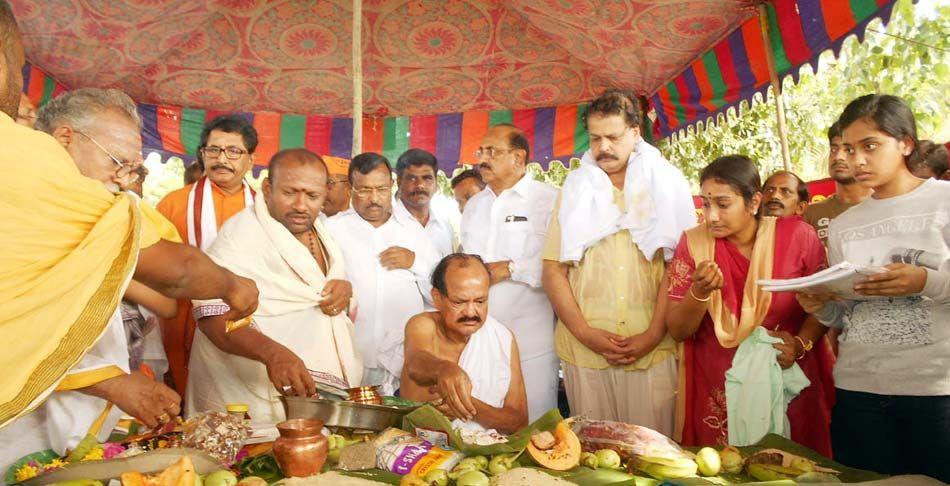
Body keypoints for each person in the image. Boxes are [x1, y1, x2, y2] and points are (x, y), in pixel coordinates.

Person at [0, 3, 258, 467]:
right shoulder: (29, 166)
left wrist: (110, 381)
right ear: (62, 140)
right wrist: (235, 287)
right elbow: (177, 274)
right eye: (117, 162)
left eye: (134, 168)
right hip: (16, 433)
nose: (124, 180)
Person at [799, 95, 950, 481]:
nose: (857, 160)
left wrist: (925, 280)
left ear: (905, 143)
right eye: (848, 148)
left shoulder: (943, 202)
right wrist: (820, 305)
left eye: (870, 146)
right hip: (859, 388)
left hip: (935, 390)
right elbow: (846, 314)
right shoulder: (845, 225)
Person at [541, 90, 695, 432]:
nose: (603, 148)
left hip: (653, 350)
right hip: (584, 350)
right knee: (597, 457)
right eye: (595, 139)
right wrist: (584, 332)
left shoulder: (667, 184)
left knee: (652, 456)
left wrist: (654, 333)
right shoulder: (575, 190)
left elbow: (679, 267)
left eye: (613, 137)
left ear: (636, 133)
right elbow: (553, 269)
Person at [664, 155, 834, 454]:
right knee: (727, 468)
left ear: (754, 202)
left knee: (792, 468)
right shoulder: (693, 244)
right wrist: (700, 291)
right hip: (718, 387)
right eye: (705, 204)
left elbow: (824, 307)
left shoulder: (798, 237)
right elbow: (678, 329)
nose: (711, 216)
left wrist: (800, 344)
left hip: (785, 377)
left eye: (723, 204)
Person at [188, 149, 362, 426]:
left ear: (326, 193)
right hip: (249, 396)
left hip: (314, 400)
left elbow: (315, 288)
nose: (301, 205)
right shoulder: (241, 235)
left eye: (312, 196)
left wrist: (344, 289)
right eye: (290, 192)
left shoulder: (321, 229)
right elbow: (212, 316)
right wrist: (273, 354)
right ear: (267, 188)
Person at [461, 123, 558, 422]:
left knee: (536, 424)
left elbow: (562, 262)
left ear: (518, 158)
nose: (483, 158)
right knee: (484, 424)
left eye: (492, 151)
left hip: (531, 339)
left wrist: (510, 268)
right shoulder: (474, 205)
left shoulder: (549, 200)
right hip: (480, 336)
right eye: (481, 151)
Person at [157, 115, 259, 394]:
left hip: (249, 318)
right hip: (183, 320)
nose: (222, 159)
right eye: (213, 150)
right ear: (202, 154)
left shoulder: (265, 210)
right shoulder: (173, 204)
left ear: (250, 160)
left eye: (233, 151)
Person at [325, 153, 439, 394]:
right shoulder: (332, 229)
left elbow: (437, 295)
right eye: (364, 190)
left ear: (392, 186)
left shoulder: (412, 231)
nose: (374, 199)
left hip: (402, 358)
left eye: (381, 189)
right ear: (350, 188)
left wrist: (414, 262)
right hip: (348, 354)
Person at [401, 254, 528, 433]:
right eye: (459, 302)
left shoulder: (502, 338)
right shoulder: (423, 325)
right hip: (423, 454)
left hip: (485, 454)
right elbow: (415, 363)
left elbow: (519, 421)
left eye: (480, 301)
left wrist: (465, 407)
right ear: (437, 297)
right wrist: (442, 369)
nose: (470, 312)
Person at [803, 122, 874, 247]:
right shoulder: (811, 213)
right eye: (834, 150)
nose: (838, 157)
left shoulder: (887, 206)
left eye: (848, 150)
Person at [394, 148, 455, 258]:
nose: (420, 185)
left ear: (436, 183)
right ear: (399, 182)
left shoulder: (445, 228)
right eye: (412, 178)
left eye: (427, 178)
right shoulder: (387, 222)